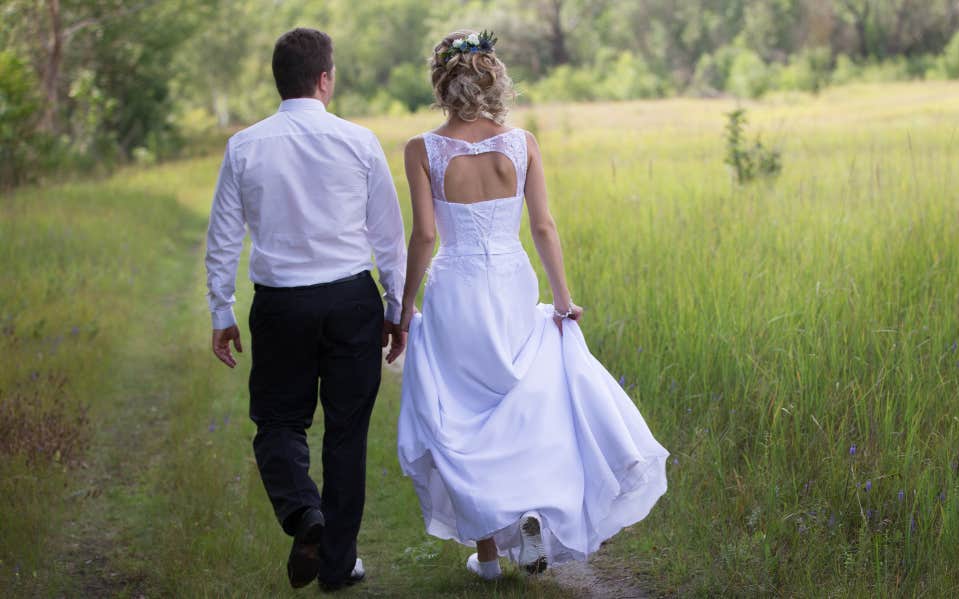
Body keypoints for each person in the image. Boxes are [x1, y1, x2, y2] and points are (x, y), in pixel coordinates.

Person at [395, 29, 669, 581]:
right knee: (517, 400)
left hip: (457, 286)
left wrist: (404, 312)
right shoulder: (522, 145)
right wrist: (563, 302)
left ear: (443, 83)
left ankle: (491, 558)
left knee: (467, 414)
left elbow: (425, 237)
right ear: (492, 79)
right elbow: (543, 226)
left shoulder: (422, 150)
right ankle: (530, 517)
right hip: (511, 281)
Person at [204, 27, 407, 590]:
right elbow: (388, 235)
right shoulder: (360, 141)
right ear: (324, 79)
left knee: (277, 424)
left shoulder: (245, 145)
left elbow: (224, 236)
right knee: (346, 434)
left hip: (281, 307)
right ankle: (337, 565)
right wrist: (397, 306)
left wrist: (221, 311)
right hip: (350, 300)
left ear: (280, 81)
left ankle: (305, 516)